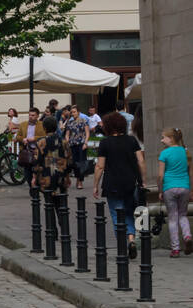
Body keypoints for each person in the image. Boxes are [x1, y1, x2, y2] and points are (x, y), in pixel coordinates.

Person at [94, 111, 146, 260]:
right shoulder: (131, 141)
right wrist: (143, 180)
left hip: (112, 184)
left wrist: (95, 185)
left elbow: (100, 166)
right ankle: (131, 240)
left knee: (117, 215)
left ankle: (122, 246)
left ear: (108, 127)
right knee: (130, 213)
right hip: (131, 183)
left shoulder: (105, 143)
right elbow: (141, 161)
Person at [157, 127, 191, 258]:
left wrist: (160, 190)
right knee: (183, 215)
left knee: (172, 218)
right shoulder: (185, 152)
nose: (161, 140)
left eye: (163, 137)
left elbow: (160, 175)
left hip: (169, 187)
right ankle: (187, 236)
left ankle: (175, 249)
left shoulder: (164, 154)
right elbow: (191, 173)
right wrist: (191, 190)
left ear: (171, 139)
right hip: (184, 187)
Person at [64, 104, 89, 189]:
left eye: (74, 112)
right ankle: (77, 178)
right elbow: (67, 134)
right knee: (74, 163)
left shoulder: (83, 120)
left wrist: (85, 143)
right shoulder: (70, 122)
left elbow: (87, 133)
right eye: (71, 112)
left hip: (81, 144)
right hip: (72, 144)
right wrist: (67, 141)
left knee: (81, 163)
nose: (73, 113)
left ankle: (80, 181)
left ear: (78, 112)